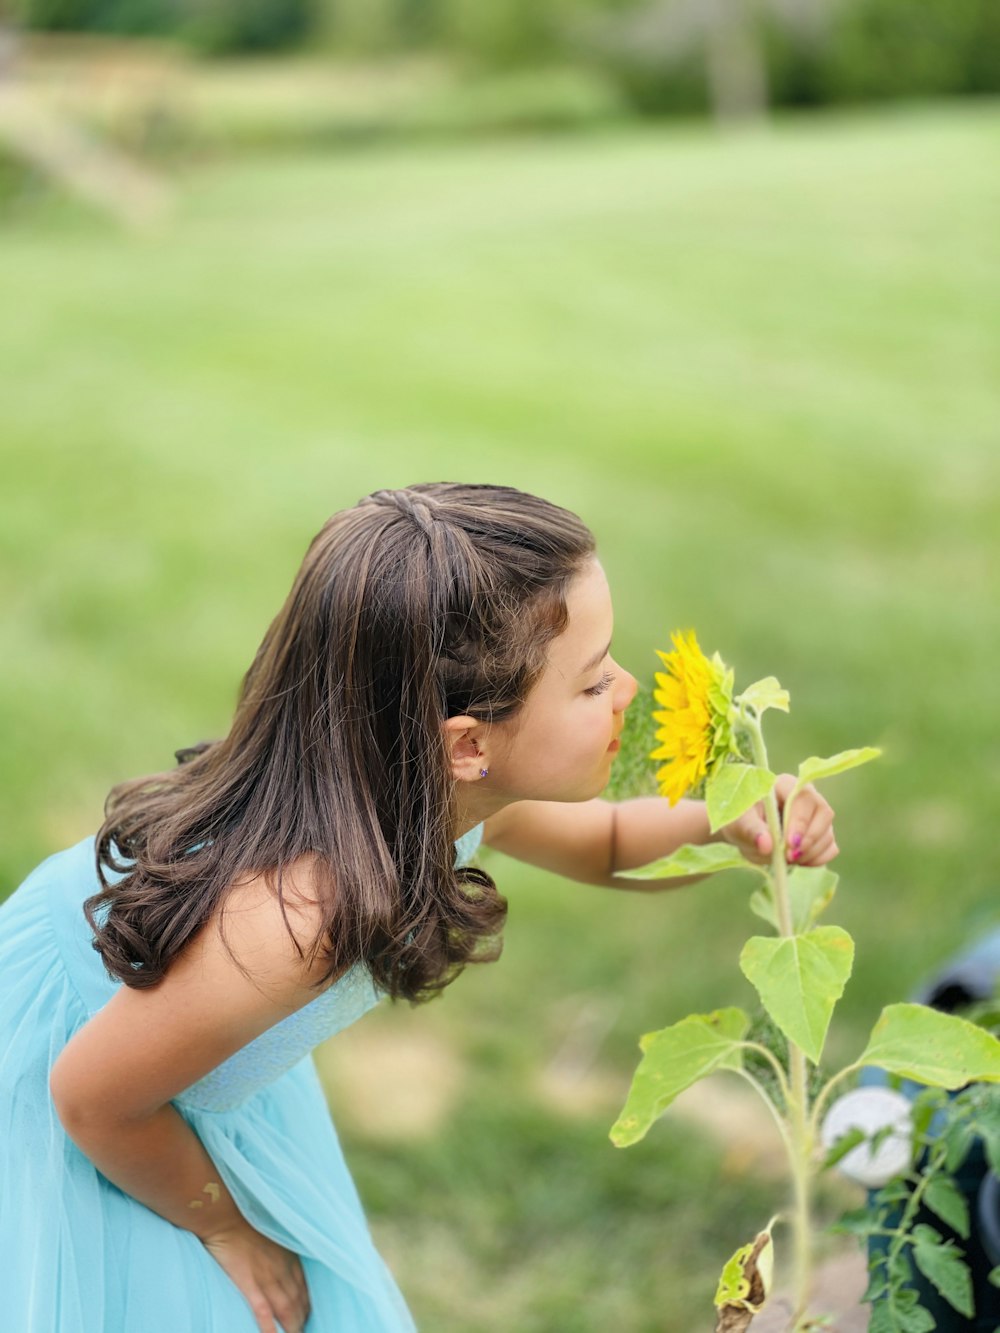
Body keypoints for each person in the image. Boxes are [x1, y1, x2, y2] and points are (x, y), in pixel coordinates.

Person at [0, 483, 837, 1333]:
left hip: (165, 1056)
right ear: (468, 743)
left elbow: (614, 845)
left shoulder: (425, 790)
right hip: (88, 1095)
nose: (626, 688)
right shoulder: (297, 919)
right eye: (592, 685)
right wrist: (227, 1225)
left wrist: (730, 820)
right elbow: (91, 1098)